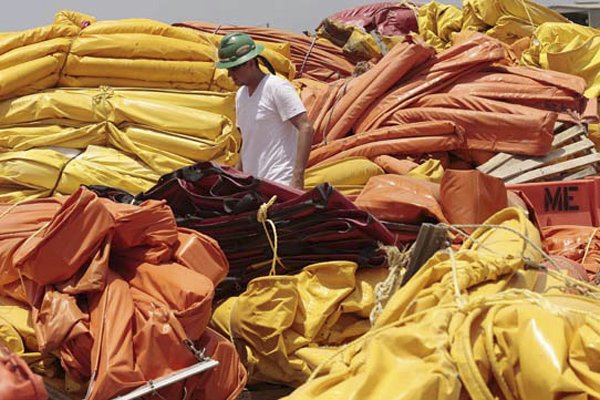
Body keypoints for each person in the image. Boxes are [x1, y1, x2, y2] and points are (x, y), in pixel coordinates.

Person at [216, 32, 314, 190]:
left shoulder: (276, 87)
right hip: (255, 186)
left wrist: (297, 177)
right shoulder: (241, 95)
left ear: (250, 63)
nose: (229, 74)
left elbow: (306, 128)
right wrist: (237, 179)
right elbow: (246, 142)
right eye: (227, 69)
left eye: (233, 68)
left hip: (280, 182)